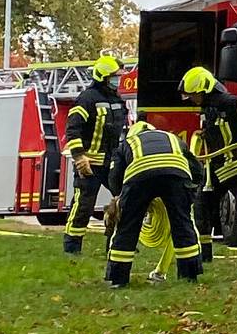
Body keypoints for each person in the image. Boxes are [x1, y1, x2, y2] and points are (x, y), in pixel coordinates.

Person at [100, 118, 202, 288]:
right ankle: (189, 276)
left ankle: (118, 278)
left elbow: (115, 175)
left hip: (140, 176)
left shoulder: (128, 143)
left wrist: (120, 197)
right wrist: (189, 194)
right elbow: (196, 168)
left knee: (128, 227)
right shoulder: (173, 138)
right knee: (182, 224)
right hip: (176, 174)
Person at [187, 71, 237, 260]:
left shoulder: (227, 101)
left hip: (236, 165)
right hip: (215, 168)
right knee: (201, 208)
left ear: (203, 90)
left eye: (193, 95)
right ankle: (204, 255)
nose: (191, 99)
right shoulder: (209, 106)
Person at [61, 56, 133, 254]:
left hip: (113, 162)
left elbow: (124, 130)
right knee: (83, 205)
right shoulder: (87, 99)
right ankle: (71, 248)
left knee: (125, 200)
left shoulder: (117, 99)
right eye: (114, 76)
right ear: (103, 77)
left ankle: (118, 244)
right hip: (89, 163)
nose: (117, 80)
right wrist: (79, 157)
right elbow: (72, 130)